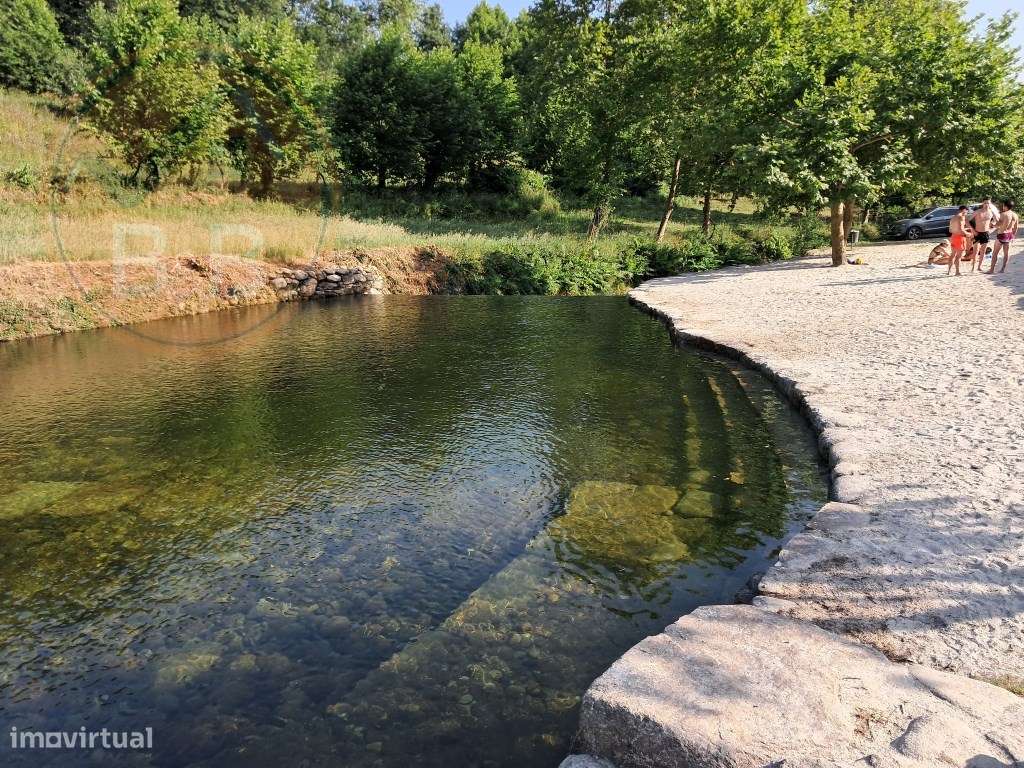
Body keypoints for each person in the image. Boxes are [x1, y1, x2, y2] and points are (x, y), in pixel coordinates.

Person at [989, 200, 1019, 274]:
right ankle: (1003, 269)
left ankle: (991, 270)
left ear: (1005, 206)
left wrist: (992, 225)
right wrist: (1013, 236)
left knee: (995, 253)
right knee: (1006, 253)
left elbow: (998, 224)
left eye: (1003, 205)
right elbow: (1016, 227)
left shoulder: (1003, 214)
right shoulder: (1015, 215)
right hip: (1009, 235)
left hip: (1002, 235)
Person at [971, 198, 998, 272]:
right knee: (975, 251)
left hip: (986, 233)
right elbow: (967, 220)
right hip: (977, 232)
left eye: (988, 203)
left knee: (983, 251)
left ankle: (979, 266)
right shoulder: (977, 212)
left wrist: (992, 228)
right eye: (985, 203)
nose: (987, 204)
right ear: (982, 203)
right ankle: (973, 267)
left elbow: (998, 222)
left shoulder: (991, 212)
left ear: (990, 204)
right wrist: (972, 230)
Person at [948, 206, 971, 276]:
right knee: (959, 256)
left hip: (953, 237)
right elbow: (961, 230)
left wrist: (965, 229)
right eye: (966, 212)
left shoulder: (953, 218)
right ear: (964, 210)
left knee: (952, 255)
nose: (966, 213)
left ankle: (949, 271)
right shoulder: (961, 217)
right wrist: (968, 234)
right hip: (959, 238)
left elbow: (950, 230)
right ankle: (957, 272)